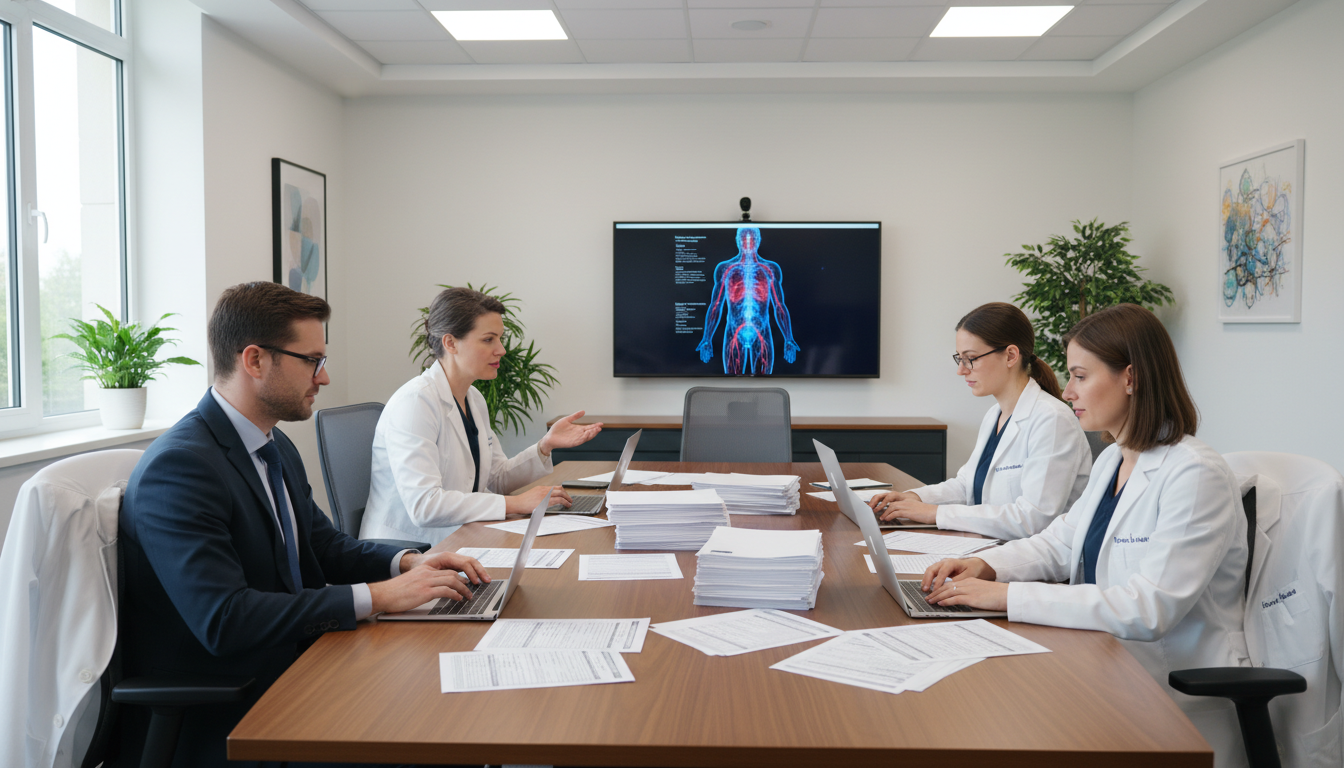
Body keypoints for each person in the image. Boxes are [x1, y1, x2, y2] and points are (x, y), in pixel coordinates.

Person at [116, 282, 490, 768]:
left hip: (303, 662)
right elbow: (225, 619)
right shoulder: (181, 467)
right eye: (312, 361)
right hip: (236, 707)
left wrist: (408, 562)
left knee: (455, 698)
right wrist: (379, 597)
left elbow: (323, 545)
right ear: (255, 360)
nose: (325, 377)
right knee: (439, 734)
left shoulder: (271, 444)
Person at [919, 303, 1250, 767]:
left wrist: (1005, 596)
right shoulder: (1114, 458)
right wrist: (986, 565)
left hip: (1167, 692)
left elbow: (1147, 609)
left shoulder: (1195, 474)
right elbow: (1059, 542)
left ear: (1131, 378)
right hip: (1099, 663)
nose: (1067, 390)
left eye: (1080, 376)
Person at [361, 287, 602, 544]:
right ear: (450, 343)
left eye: (500, 339)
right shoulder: (415, 403)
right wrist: (516, 503)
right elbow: (425, 506)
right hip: (410, 549)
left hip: (462, 536)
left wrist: (545, 445)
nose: (501, 350)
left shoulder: (473, 398)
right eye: (488, 340)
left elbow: (496, 478)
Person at [867, 302, 1092, 540]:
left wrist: (935, 514)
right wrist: (915, 497)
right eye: (960, 359)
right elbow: (967, 485)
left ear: (1011, 356)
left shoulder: (1052, 419)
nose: (961, 370)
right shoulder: (995, 415)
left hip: (1033, 556)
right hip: (989, 544)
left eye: (971, 358)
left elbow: (1033, 519)